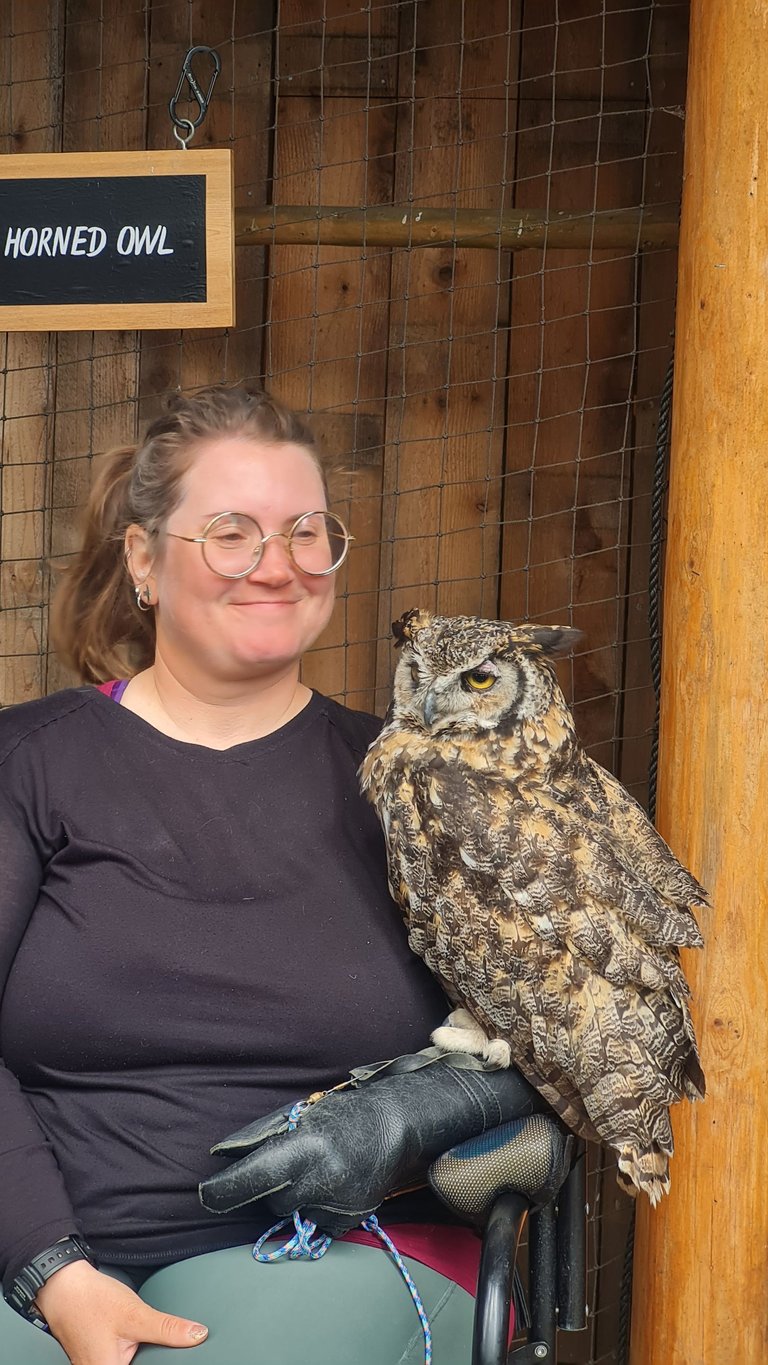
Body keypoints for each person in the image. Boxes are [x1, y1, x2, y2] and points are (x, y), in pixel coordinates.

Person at [0, 385, 560, 1365]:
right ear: (143, 560)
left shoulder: (424, 785)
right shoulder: (28, 763)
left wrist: (411, 1112)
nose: (278, 565)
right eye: (232, 532)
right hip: (36, 1248)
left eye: (308, 533)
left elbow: (574, 1035)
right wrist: (52, 1271)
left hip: (330, 1246)